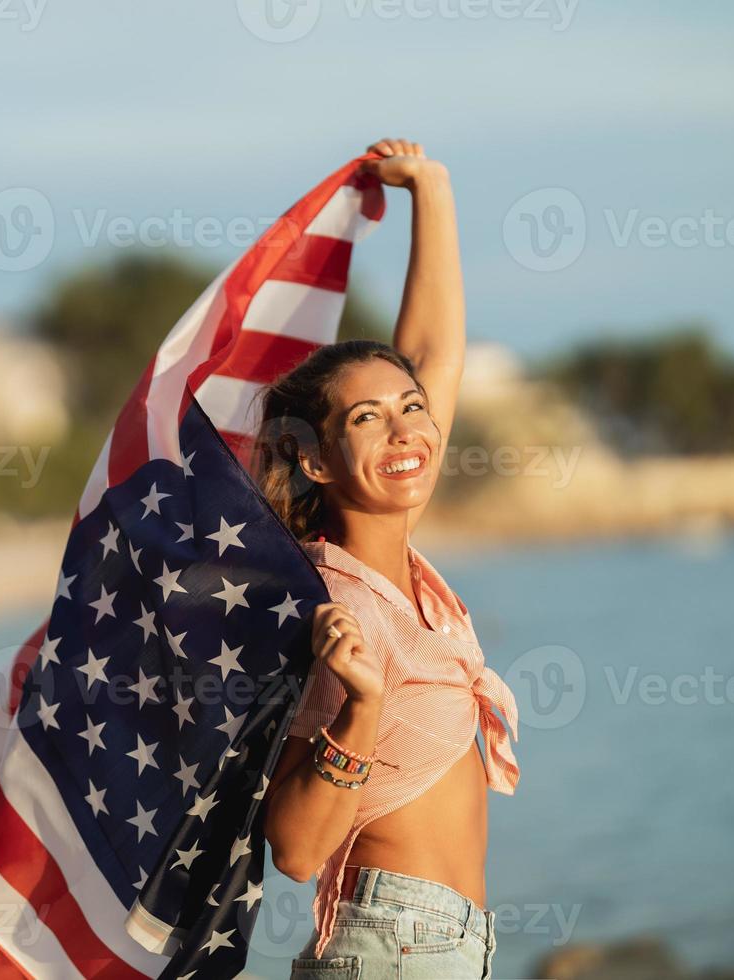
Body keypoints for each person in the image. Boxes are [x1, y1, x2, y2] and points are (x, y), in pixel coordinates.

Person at [257, 138, 521, 980]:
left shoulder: (396, 563)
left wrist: (431, 190)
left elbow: (435, 355)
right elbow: (297, 850)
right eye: (367, 419)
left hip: (444, 945)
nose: (407, 427)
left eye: (411, 409)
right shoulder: (332, 600)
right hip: (393, 952)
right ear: (316, 458)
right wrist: (362, 707)